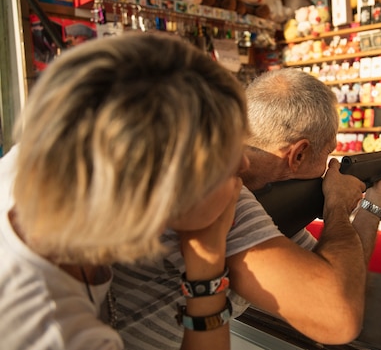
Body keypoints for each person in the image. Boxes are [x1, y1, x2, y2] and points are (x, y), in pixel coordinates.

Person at [113, 68, 381, 348]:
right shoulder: (220, 192)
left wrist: (374, 199)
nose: (331, 167)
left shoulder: (256, 201)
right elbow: (339, 318)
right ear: (298, 154)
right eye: (328, 154)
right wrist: (337, 206)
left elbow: (346, 277)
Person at [0, 32, 250, 350]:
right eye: (224, 165)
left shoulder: (54, 155)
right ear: (153, 202)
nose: (244, 163)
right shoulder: (58, 335)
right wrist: (206, 272)